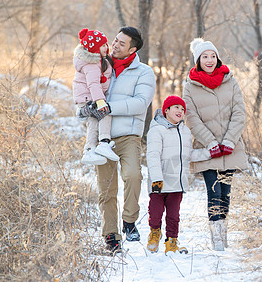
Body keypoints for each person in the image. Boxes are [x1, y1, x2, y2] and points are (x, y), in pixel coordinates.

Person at [81, 26, 156, 253]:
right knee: (106, 190)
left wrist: (109, 107)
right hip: (103, 140)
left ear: (132, 49)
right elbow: (85, 91)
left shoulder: (144, 72)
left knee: (133, 175)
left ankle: (129, 220)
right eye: (115, 40)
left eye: (121, 43)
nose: (115, 45)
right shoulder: (100, 65)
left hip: (129, 136)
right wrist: (86, 108)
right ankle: (111, 237)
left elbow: (141, 102)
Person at [182, 38, 248, 251]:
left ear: (217, 58)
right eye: (204, 57)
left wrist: (229, 140)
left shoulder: (230, 81)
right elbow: (191, 117)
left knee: (226, 193)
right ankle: (216, 238)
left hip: (231, 146)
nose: (209, 60)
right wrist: (210, 143)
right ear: (197, 60)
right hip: (206, 150)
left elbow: (239, 112)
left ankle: (223, 231)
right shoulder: (190, 86)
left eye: (212, 56)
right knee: (214, 191)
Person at [146, 95, 211, 254]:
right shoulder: (156, 130)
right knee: (155, 214)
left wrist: (209, 153)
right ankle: (155, 233)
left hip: (177, 182)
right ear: (166, 110)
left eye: (182, 109)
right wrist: (156, 178)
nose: (180, 111)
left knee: (174, 216)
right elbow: (153, 155)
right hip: (159, 182)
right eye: (176, 107)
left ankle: (172, 242)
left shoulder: (185, 131)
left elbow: (189, 155)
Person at [73, 28, 119, 165]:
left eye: (106, 44)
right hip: (90, 98)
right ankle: (104, 143)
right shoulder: (92, 64)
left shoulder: (97, 60)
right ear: (94, 49)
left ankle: (89, 150)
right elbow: (93, 84)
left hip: (85, 98)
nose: (106, 47)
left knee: (93, 121)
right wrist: (100, 102)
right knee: (105, 113)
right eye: (102, 46)